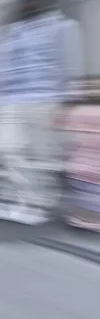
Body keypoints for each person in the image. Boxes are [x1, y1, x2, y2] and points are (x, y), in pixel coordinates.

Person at [0, 0, 84, 225]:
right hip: (9, 100)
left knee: (40, 157)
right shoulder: (14, 31)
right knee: (9, 153)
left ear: (46, 1)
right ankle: (12, 198)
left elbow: (70, 64)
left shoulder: (63, 27)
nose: (29, 3)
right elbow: (0, 67)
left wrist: (68, 102)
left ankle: (37, 203)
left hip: (45, 99)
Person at [61, 77, 100, 232]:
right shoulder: (77, 111)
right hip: (86, 158)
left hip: (81, 159)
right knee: (88, 189)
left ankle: (83, 217)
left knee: (84, 189)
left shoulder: (75, 110)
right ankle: (87, 218)